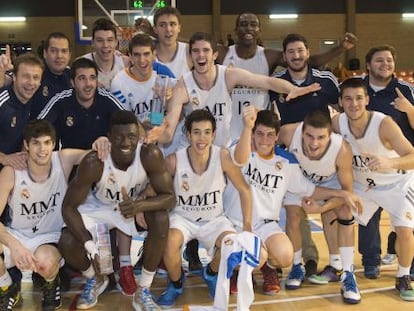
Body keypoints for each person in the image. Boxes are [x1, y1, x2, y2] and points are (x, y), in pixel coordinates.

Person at [58, 110, 176, 310]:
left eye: (131, 136)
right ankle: (95, 278)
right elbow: (68, 208)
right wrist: (89, 245)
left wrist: (140, 205)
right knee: (67, 241)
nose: (125, 143)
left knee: (161, 218)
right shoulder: (94, 162)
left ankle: (144, 289)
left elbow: (170, 198)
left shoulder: (149, 154)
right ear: (109, 138)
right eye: (119, 137)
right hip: (100, 209)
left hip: (131, 207)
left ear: (139, 136)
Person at [147, 32, 320, 150]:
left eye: (206, 50)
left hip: (222, 149)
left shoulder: (228, 75)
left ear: (214, 55)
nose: (201, 55)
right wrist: (156, 134)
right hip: (191, 150)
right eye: (196, 51)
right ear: (190, 56)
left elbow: (266, 81)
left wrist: (292, 89)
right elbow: (168, 132)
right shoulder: (183, 85)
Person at [156, 109, 255, 308]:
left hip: (214, 219)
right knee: (169, 243)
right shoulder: (174, 160)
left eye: (207, 132)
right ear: (188, 134)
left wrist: (247, 225)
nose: (202, 138)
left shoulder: (223, 156)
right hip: (183, 218)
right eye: (197, 132)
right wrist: (142, 208)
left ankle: (210, 272)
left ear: (214, 134)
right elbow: (154, 188)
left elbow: (244, 189)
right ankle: (176, 284)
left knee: (233, 245)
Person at [333, 77, 414, 301]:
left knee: (405, 231)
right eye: (348, 99)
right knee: (343, 211)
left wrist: (390, 163)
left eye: (359, 98)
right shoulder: (337, 123)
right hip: (364, 185)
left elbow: (412, 156)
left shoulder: (383, 123)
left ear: (367, 99)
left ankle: (403, 275)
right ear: (340, 102)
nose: (354, 104)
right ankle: (347, 273)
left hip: (397, 182)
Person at [220, 13, 356, 141]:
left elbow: (306, 61)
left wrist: (340, 48)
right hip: (227, 128)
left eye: (253, 24)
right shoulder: (222, 54)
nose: (248, 28)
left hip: (259, 131)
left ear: (259, 30)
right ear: (236, 29)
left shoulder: (268, 56)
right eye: (244, 24)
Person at [0, 119, 89, 310]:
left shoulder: (63, 159)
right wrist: (14, 245)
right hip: (18, 234)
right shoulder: (11, 172)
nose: (42, 149)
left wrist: (102, 143)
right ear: (26, 145)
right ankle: (7, 287)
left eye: (47, 142)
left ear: (54, 144)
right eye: (36, 143)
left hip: (48, 237)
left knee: (46, 263)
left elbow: (97, 156)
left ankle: (51, 283)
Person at [278, 110, 361, 303]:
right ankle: (297, 266)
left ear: (330, 135)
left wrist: (321, 208)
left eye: (321, 137)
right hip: (298, 180)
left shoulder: (342, 149)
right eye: (309, 136)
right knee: (292, 215)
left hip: (329, 184)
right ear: (302, 131)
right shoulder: (288, 133)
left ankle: (348, 273)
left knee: (345, 210)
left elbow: (347, 192)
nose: (314, 143)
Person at [361, 45, 414, 278]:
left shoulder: (405, 90)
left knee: (406, 222)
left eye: (389, 60)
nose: (385, 65)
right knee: (368, 217)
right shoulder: (358, 89)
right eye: (379, 61)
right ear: (368, 65)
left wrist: (409, 109)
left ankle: (408, 265)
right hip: (367, 165)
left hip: (401, 166)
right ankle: (371, 260)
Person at [37, 57, 124, 150]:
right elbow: (37, 128)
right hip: (70, 161)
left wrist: (109, 140)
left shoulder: (106, 99)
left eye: (92, 78)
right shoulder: (61, 101)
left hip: (101, 159)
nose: (88, 84)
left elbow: (129, 122)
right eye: (82, 78)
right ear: (72, 83)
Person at [110, 33, 175, 129]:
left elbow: (180, 113)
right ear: (130, 57)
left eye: (146, 54)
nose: (142, 60)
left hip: (161, 138)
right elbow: (123, 123)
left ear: (154, 55)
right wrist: (142, 126)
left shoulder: (164, 75)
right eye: (137, 55)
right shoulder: (119, 82)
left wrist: (170, 100)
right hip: (134, 138)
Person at [0, 53, 44, 169]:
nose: (31, 83)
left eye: (36, 77)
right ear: (14, 77)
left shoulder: (35, 100)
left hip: (15, 169)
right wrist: (3, 158)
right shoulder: (3, 102)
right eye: (25, 76)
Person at [81, 18, 130, 90]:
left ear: (116, 42)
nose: (105, 45)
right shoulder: (82, 63)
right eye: (100, 40)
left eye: (110, 40)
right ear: (93, 42)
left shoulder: (125, 63)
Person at [152, 6, 192, 79]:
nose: (168, 29)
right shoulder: (147, 54)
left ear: (179, 27)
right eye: (162, 25)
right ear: (155, 29)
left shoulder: (188, 51)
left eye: (172, 24)